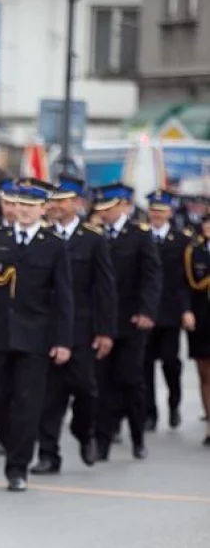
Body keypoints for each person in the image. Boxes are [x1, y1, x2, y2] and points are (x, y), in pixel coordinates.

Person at [0, 178, 73, 492]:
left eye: (32, 206)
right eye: (21, 205)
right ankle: (8, 438)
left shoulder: (54, 244)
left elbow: (63, 296)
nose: (25, 211)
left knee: (28, 403)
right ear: (12, 207)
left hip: (36, 336)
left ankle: (18, 468)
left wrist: (62, 340)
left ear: (43, 209)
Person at [33, 175, 116, 475]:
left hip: (82, 329)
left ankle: (85, 433)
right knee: (48, 395)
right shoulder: (41, 235)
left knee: (85, 390)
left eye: (61, 201)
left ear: (77, 204)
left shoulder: (93, 238)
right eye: (52, 200)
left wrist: (106, 330)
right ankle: (47, 454)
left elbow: (105, 288)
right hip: (46, 327)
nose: (55, 205)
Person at [92, 182, 162, 461]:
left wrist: (147, 311)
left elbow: (152, 277)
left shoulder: (140, 236)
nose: (104, 214)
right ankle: (102, 441)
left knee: (131, 379)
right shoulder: (96, 236)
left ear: (122, 206)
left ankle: (137, 437)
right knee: (102, 380)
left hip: (132, 320)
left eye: (108, 209)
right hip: (102, 321)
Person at [143, 189, 190, 431]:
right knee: (145, 364)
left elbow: (184, 279)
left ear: (170, 213)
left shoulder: (182, 240)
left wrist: (186, 310)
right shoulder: (141, 237)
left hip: (171, 312)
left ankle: (174, 403)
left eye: (161, 211)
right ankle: (149, 411)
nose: (157, 215)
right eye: (154, 211)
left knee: (170, 362)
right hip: (146, 312)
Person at [181, 214, 210, 446]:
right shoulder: (194, 251)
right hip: (202, 317)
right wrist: (186, 311)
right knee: (204, 372)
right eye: (206, 222)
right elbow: (185, 284)